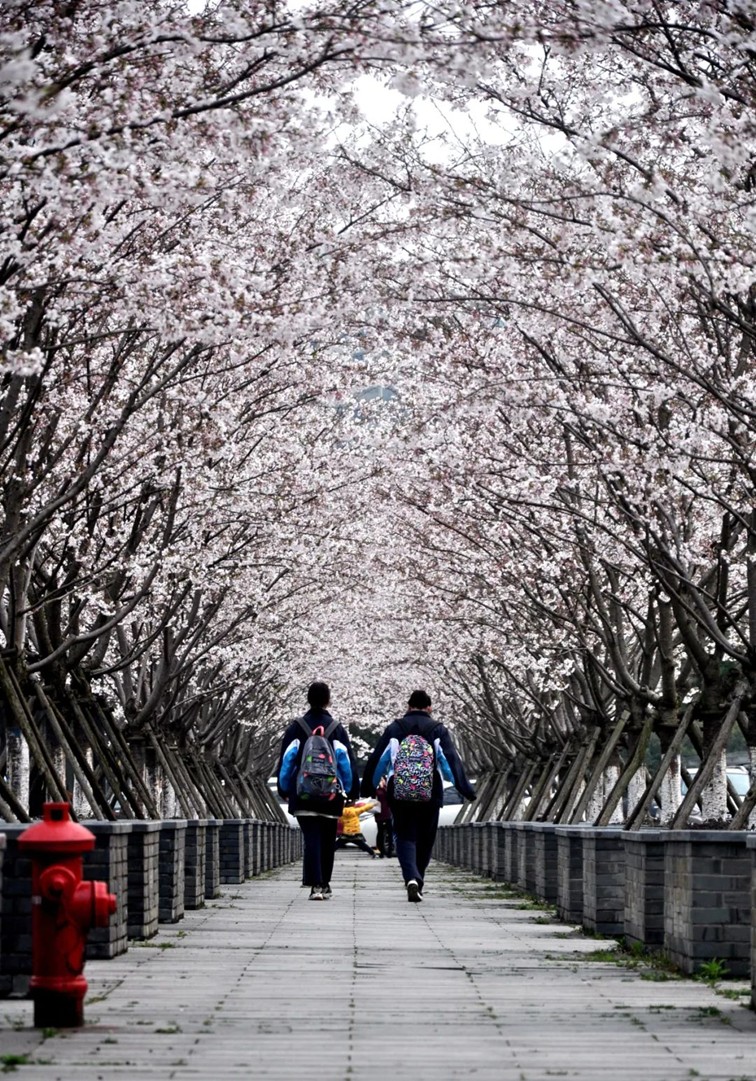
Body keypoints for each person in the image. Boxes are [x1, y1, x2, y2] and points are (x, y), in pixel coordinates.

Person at [361, 689, 475, 903]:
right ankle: (419, 880)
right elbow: (449, 762)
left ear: (408, 705)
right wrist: (464, 788)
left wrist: (368, 787)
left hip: (399, 791)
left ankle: (410, 877)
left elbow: (379, 760)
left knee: (404, 836)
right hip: (430, 792)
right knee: (425, 838)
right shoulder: (437, 730)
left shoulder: (395, 729)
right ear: (429, 707)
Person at [276, 681, 359, 900]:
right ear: (328, 700)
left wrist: (284, 787)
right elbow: (345, 764)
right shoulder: (336, 728)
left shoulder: (297, 727)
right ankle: (324, 884)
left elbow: (287, 760)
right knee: (327, 838)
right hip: (331, 796)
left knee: (311, 837)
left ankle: (314, 885)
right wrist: (349, 791)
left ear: (308, 699)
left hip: (303, 795)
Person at [373, 777, 394, 858]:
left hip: (387, 813)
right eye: (380, 780)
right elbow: (375, 798)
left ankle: (389, 852)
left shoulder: (387, 789)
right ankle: (380, 851)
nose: (381, 781)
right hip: (379, 814)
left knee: (390, 832)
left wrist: (385, 787)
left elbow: (389, 797)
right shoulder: (376, 790)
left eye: (382, 780)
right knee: (380, 833)